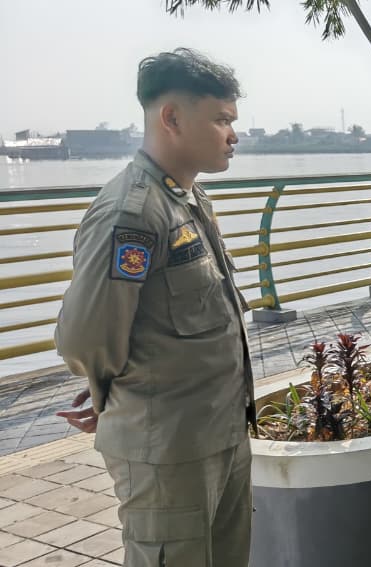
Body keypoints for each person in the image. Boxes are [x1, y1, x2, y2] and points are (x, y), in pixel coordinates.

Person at [53, 48, 253, 567]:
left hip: (218, 433)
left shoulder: (188, 200)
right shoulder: (133, 213)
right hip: (170, 450)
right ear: (172, 118)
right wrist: (109, 390)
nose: (233, 134)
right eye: (221, 119)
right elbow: (84, 338)